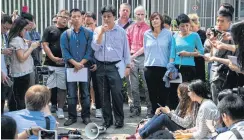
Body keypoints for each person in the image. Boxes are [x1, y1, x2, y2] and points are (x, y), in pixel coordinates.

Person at [91, 5, 131, 128]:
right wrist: (101, 33)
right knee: (103, 95)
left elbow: (126, 50)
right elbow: (94, 48)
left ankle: (119, 119)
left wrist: (128, 66)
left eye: (109, 16)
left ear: (114, 17)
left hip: (116, 66)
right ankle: (107, 120)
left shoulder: (121, 31)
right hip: (101, 66)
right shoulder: (98, 30)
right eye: (104, 17)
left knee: (117, 94)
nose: (107, 19)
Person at [127, 82, 197, 139]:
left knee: (164, 117)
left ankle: (140, 136)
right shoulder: (182, 102)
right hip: (179, 125)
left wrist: (169, 113)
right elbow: (175, 114)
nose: (178, 95)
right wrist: (165, 110)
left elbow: (185, 124)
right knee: (161, 113)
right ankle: (138, 133)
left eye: (179, 93)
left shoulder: (192, 105)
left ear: (183, 94)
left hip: (185, 130)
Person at [61, 8, 93, 126]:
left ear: (82, 17)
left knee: (85, 93)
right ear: (70, 18)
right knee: (71, 94)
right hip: (71, 67)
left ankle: (86, 116)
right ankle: (72, 117)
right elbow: (65, 52)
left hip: (84, 67)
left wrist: (81, 63)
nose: (76, 18)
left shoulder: (89, 33)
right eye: (73, 16)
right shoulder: (66, 34)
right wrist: (75, 63)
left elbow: (90, 51)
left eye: (78, 16)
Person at [169, 14, 204, 109]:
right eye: (182, 26)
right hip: (176, 67)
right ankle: (176, 113)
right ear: (178, 26)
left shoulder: (195, 35)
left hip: (189, 68)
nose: (185, 28)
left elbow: (201, 51)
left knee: (188, 92)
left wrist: (188, 54)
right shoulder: (175, 36)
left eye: (187, 25)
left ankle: (189, 113)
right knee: (175, 91)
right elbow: (172, 53)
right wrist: (170, 68)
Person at [8, 17, 40, 111]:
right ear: (19, 28)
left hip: (23, 72)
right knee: (20, 99)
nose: (26, 32)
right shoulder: (16, 40)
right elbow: (21, 58)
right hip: (20, 74)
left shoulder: (19, 39)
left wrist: (27, 44)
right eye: (25, 29)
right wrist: (31, 47)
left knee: (19, 98)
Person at [143, 12, 172, 116]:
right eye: (152, 19)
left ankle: (163, 114)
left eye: (157, 18)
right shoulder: (146, 34)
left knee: (163, 93)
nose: (154, 21)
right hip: (149, 67)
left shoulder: (168, 33)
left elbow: (171, 51)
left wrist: (171, 67)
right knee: (152, 93)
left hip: (164, 68)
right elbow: (146, 50)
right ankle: (154, 114)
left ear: (161, 21)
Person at [42, 9, 69, 118]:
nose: (65, 19)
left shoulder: (69, 31)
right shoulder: (49, 29)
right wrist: (53, 58)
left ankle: (60, 109)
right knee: (48, 88)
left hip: (64, 65)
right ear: (57, 17)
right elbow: (45, 45)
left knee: (62, 88)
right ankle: (45, 109)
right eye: (63, 17)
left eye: (67, 18)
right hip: (50, 64)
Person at [126, 5, 152, 118]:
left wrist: (133, 57)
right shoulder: (130, 28)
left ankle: (150, 109)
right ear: (134, 15)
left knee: (147, 86)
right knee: (134, 86)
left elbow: (146, 46)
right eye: (138, 14)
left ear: (145, 15)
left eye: (142, 14)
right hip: (131, 58)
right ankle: (136, 108)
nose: (140, 16)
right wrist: (128, 58)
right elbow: (125, 45)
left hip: (144, 58)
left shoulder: (148, 28)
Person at [84, 11, 103, 118]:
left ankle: (99, 108)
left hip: (97, 64)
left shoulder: (99, 32)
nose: (89, 26)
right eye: (86, 24)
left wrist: (97, 63)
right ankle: (85, 110)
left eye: (90, 24)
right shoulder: (83, 33)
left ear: (95, 21)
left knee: (97, 88)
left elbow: (102, 50)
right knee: (84, 88)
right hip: (84, 64)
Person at [115, 3, 134, 108]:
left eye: (127, 10)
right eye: (123, 10)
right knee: (115, 82)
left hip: (129, 56)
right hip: (116, 57)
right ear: (119, 11)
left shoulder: (133, 24)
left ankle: (131, 103)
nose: (125, 12)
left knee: (130, 81)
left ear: (130, 12)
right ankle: (116, 104)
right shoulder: (114, 24)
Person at [188, 13, 206, 82]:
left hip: (199, 61)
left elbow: (201, 49)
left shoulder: (202, 33)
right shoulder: (188, 34)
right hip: (190, 61)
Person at [1, 14, 13, 114]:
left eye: (8, 29)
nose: (6, 31)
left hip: (3, 71)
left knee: (2, 97)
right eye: (5, 28)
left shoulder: (3, 36)